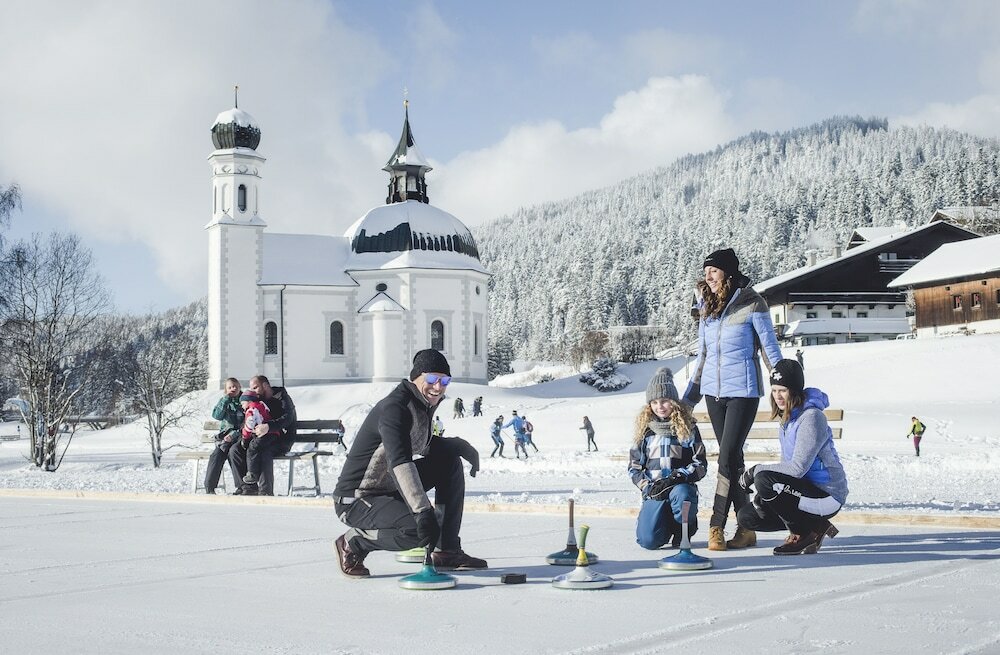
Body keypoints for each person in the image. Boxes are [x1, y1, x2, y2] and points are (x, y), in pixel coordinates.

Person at [333, 349, 486, 578]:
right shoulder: (395, 409)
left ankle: (447, 550)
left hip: (387, 490)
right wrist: (422, 512)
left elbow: (420, 444)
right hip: (357, 499)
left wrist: (459, 446)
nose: (439, 387)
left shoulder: (421, 404)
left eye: (445, 381)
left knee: (449, 464)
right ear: (416, 376)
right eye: (433, 379)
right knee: (418, 529)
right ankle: (354, 542)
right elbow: (400, 462)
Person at [683, 247, 784, 552]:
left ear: (727, 271)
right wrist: (690, 397)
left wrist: (784, 386)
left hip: (744, 391)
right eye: (705, 272)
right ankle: (746, 527)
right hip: (714, 393)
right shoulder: (706, 306)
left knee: (726, 457)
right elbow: (703, 355)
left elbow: (770, 349)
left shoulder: (752, 302)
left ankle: (716, 526)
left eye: (713, 270)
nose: (708, 277)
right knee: (734, 460)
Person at [736, 359, 847, 555]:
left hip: (827, 494)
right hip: (803, 491)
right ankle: (815, 526)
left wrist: (756, 471)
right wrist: (766, 497)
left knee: (764, 479)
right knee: (747, 516)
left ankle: (802, 533)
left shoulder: (811, 417)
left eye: (783, 390)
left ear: (794, 390)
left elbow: (797, 468)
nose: (778, 396)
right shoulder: (787, 419)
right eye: (774, 390)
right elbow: (787, 469)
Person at [630, 367, 707, 549]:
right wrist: (648, 486)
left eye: (664, 401)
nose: (660, 406)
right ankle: (664, 525)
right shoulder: (645, 431)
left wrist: (680, 476)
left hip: (678, 489)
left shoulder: (687, 428)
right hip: (655, 492)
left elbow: (700, 463)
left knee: (682, 494)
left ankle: (684, 528)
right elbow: (634, 467)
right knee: (648, 541)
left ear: (673, 401)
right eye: (655, 402)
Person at [228, 375, 297, 496]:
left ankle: (265, 491)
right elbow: (248, 419)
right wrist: (243, 434)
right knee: (235, 450)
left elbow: (288, 419)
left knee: (264, 451)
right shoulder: (256, 400)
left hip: (281, 438)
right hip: (259, 438)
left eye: (255, 387)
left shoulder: (282, 398)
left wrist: (269, 427)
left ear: (265, 386)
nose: (253, 391)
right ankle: (247, 488)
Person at [204, 377, 243, 494]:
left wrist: (234, 434)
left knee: (233, 452)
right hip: (225, 438)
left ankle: (241, 487)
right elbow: (217, 415)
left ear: (240, 387)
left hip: (239, 437)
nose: (233, 389)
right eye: (230, 387)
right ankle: (209, 487)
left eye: (235, 386)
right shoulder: (224, 401)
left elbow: (246, 424)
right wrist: (225, 400)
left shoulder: (244, 401)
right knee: (217, 454)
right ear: (226, 390)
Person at [240, 390, 281, 486]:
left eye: (243, 403)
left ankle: (252, 473)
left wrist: (245, 438)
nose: (242, 406)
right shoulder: (261, 405)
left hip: (266, 434)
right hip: (272, 433)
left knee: (252, 448)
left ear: (249, 402)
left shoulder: (251, 410)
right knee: (259, 449)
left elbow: (248, 426)